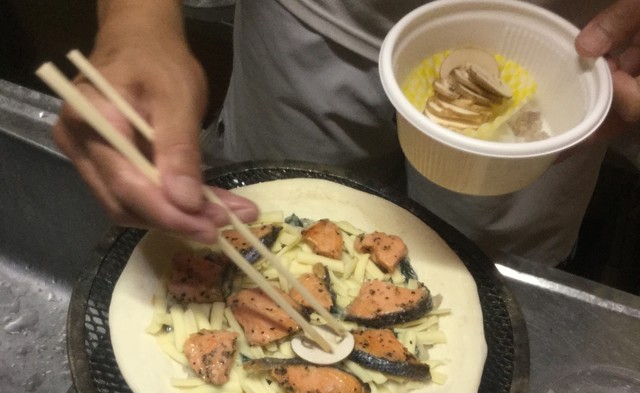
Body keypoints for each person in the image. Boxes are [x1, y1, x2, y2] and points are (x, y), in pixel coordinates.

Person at [52, 0, 640, 263]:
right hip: (309, 26)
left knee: (478, 274)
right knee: (275, 235)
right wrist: (136, 19)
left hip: (562, 60)